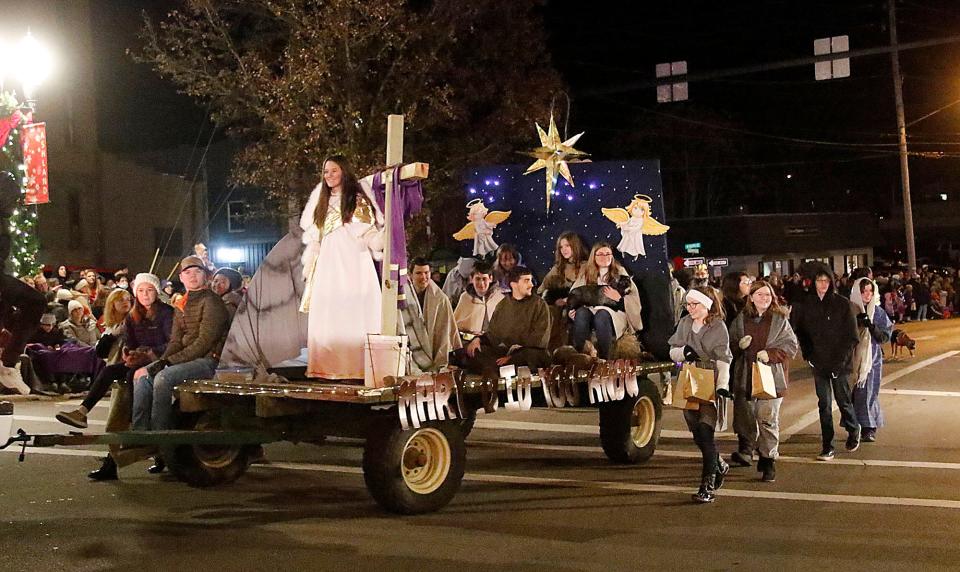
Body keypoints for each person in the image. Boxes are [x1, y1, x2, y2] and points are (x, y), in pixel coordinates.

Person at [59, 273, 175, 480]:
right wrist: (129, 354)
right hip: (135, 364)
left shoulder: (167, 313)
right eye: (140, 291)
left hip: (156, 363)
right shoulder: (131, 316)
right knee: (112, 375)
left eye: (149, 290)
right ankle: (82, 411)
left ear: (156, 292)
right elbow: (124, 343)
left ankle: (144, 445)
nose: (144, 295)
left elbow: (172, 343)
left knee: (122, 413)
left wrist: (148, 354)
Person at [299, 155, 384, 379]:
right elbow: (316, 234)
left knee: (352, 311)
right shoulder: (322, 203)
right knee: (329, 311)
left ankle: (355, 366)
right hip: (328, 262)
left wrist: (380, 239)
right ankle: (329, 366)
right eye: (326, 172)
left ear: (344, 171)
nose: (329, 176)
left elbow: (367, 231)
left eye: (334, 171)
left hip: (351, 260)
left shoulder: (356, 199)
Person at [133, 256, 230, 444]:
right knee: (143, 376)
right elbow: (175, 341)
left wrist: (166, 363)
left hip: (209, 360)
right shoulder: (181, 304)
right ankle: (139, 435)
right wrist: (158, 362)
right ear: (181, 277)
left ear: (206, 276)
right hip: (188, 359)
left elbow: (204, 343)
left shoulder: (212, 301)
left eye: (197, 272)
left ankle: (159, 437)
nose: (192, 276)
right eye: (187, 273)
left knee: (163, 377)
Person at [728, 280, 798, 482]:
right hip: (746, 377)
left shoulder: (779, 319)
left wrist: (771, 354)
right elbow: (729, 346)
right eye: (759, 295)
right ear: (751, 297)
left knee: (767, 419)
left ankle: (768, 461)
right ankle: (748, 448)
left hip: (771, 377)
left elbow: (790, 346)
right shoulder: (741, 320)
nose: (764, 298)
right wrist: (739, 346)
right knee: (747, 417)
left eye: (767, 295)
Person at [668, 287, 732, 503]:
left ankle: (708, 484)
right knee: (695, 430)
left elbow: (724, 359)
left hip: (710, 379)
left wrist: (723, 385)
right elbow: (672, 349)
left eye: (695, 304)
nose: (690, 308)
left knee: (706, 432)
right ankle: (719, 463)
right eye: (688, 304)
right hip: (689, 377)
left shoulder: (718, 327)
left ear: (707, 305)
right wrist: (682, 352)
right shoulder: (685, 323)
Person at [791, 268, 860, 461]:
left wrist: (841, 361)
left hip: (840, 362)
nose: (822, 284)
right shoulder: (807, 305)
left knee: (843, 400)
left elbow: (852, 337)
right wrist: (808, 355)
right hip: (818, 362)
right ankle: (827, 445)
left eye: (826, 280)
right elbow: (801, 331)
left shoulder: (842, 304)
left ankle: (854, 429)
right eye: (819, 280)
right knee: (824, 404)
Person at [463, 266, 551, 380]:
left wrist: (512, 356)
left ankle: (497, 369)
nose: (531, 285)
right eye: (526, 281)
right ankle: (500, 369)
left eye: (530, 280)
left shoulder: (540, 305)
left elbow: (539, 340)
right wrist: (478, 340)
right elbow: (493, 335)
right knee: (474, 352)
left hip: (528, 353)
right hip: (505, 352)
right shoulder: (503, 305)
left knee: (530, 356)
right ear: (514, 284)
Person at [568, 242, 643, 360]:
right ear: (594, 257)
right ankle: (581, 358)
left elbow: (633, 297)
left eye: (608, 254)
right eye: (601, 254)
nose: (605, 257)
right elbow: (574, 294)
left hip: (614, 313)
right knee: (581, 313)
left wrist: (619, 298)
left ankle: (605, 360)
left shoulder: (620, 272)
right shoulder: (586, 273)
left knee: (601, 315)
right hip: (590, 309)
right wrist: (572, 311)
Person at [849, 277, 893, 443]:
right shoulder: (850, 310)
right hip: (852, 358)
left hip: (871, 359)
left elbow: (884, 336)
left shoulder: (879, 312)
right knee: (853, 394)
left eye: (869, 291)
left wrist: (871, 326)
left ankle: (869, 427)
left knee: (868, 392)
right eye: (863, 291)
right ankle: (854, 426)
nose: (867, 295)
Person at [401, 258, 461, 373]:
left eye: (426, 273)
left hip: (432, 349)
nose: (423, 277)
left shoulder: (441, 299)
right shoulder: (403, 296)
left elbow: (444, 332)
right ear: (410, 275)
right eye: (418, 273)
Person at [538, 232, 588, 350]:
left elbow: (586, 290)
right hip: (558, 305)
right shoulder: (558, 267)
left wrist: (568, 300)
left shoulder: (585, 266)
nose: (564, 250)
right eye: (561, 247)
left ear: (575, 246)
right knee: (549, 312)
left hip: (578, 304)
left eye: (567, 246)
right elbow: (542, 288)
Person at [453, 261, 504, 342]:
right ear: (471, 279)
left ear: (490, 279)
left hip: (494, 341)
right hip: (468, 340)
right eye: (477, 279)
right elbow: (456, 324)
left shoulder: (499, 297)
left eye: (484, 279)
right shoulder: (465, 297)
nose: (481, 283)